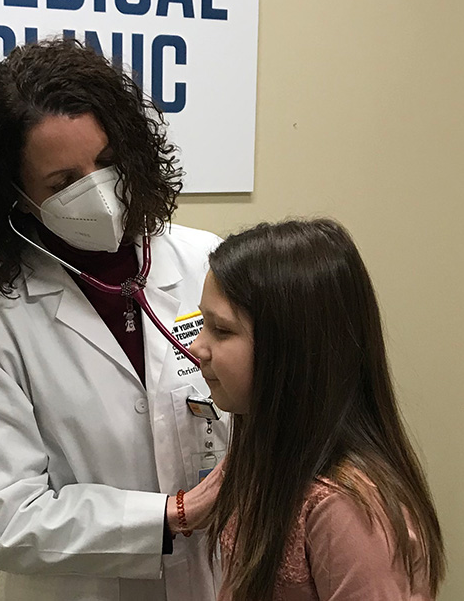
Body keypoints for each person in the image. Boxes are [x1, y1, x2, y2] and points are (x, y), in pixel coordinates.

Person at [0, 38, 228, 601]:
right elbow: (5, 519)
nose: (96, 190)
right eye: (62, 182)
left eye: (106, 162)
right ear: (19, 196)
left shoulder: (205, 263)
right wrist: (171, 515)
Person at [189, 219, 446, 601]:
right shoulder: (261, 455)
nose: (196, 347)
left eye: (221, 331)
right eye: (202, 324)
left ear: (292, 354)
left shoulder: (344, 509)